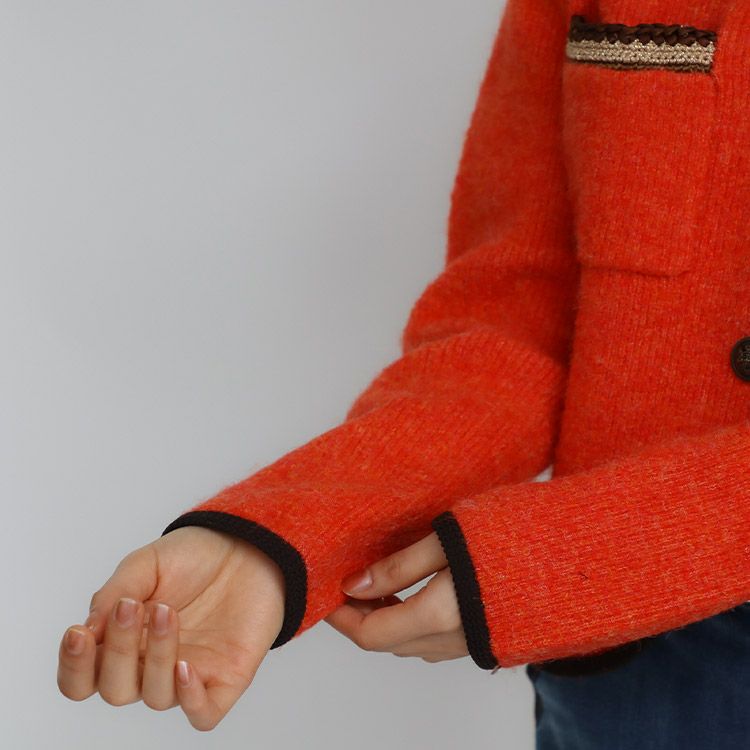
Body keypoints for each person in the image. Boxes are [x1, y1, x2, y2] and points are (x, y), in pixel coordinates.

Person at [57, 1, 750, 746]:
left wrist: (572, 564)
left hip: (595, 598)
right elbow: (516, 329)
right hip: (635, 680)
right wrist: (282, 537)